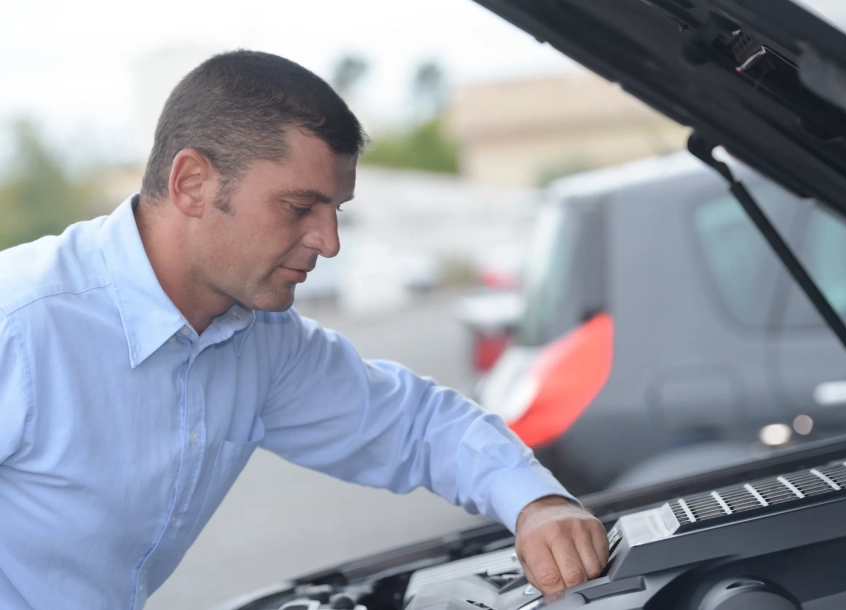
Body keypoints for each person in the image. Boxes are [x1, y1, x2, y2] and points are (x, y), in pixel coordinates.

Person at [0, 50, 609, 610]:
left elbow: (415, 425)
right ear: (192, 184)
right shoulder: (22, 324)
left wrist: (536, 502)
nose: (330, 242)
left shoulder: (260, 339)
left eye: (336, 211)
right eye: (299, 208)